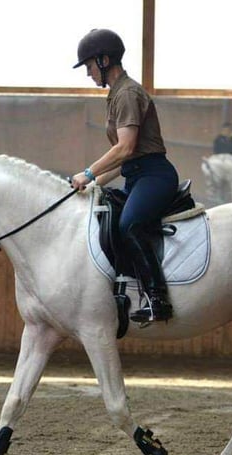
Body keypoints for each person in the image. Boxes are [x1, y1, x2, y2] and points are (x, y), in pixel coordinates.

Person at [70, 28, 178, 323]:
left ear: (104, 60)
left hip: (154, 176)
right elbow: (123, 160)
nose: (88, 73)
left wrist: (89, 172)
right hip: (136, 175)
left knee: (130, 224)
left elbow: (125, 147)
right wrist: (92, 186)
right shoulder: (117, 95)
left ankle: (158, 298)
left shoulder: (128, 93)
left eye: (90, 66)